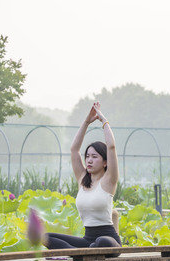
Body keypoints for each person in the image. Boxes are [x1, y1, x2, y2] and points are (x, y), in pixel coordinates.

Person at [44, 102, 121, 252]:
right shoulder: (82, 179)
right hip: (88, 240)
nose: (89, 160)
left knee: (101, 241)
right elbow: (74, 149)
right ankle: (78, 253)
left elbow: (111, 146)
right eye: (87, 156)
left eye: (94, 156)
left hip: (108, 240)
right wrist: (86, 122)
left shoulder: (109, 180)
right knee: (46, 237)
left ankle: (76, 253)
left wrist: (102, 119)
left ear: (105, 162)